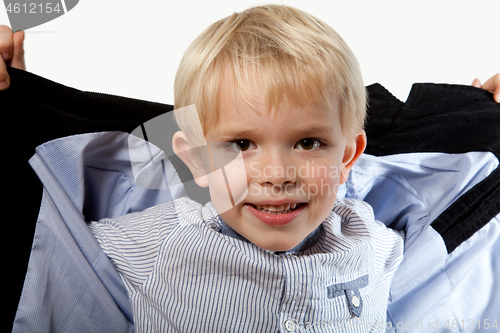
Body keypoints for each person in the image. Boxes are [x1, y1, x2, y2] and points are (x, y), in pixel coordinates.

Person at [1, 5, 499, 332]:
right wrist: (17, 98)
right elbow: (53, 239)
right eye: (241, 144)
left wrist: (479, 121)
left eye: (308, 142)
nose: (277, 173)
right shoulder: (147, 245)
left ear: (348, 156)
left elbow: (452, 234)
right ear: (195, 158)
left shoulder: (372, 238)